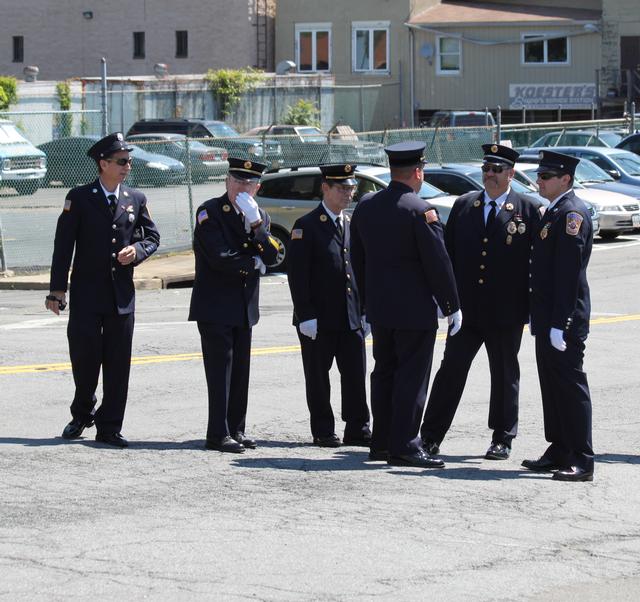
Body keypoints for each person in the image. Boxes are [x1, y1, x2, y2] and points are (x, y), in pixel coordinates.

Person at [420, 144, 543, 460]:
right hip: (467, 310)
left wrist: (532, 307)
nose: (489, 175)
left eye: (497, 170)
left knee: (504, 375)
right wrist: (445, 301)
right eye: (486, 169)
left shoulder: (528, 210)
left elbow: (538, 265)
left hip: (506, 312)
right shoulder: (464, 206)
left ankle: (503, 438)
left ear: (511, 174)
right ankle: (430, 436)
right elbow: (448, 257)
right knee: (450, 371)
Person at [350, 141, 461, 468]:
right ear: (417, 171)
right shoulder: (420, 210)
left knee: (384, 373)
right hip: (414, 311)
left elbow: (357, 259)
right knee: (412, 377)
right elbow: (438, 262)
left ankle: (382, 443)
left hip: (381, 309)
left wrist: (366, 304)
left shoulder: (367, 206)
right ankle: (406, 446)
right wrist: (452, 305)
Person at [47, 132, 160, 448]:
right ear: (103, 164)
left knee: (118, 363)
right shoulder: (80, 198)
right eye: (121, 161)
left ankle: (109, 426)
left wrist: (136, 251)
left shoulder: (135, 199)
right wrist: (57, 290)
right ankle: (83, 412)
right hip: (86, 296)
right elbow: (63, 247)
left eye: (129, 161)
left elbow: (152, 237)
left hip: (120, 297)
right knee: (84, 360)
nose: (127, 167)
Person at [189, 157, 279, 453]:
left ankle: (236, 429)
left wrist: (256, 225)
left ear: (257, 187)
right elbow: (219, 256)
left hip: (243, 307)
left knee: (240, 372)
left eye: (248, 183)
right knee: (220, 373)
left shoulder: (259, 217)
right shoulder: (210, 212)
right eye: (237, 181)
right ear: (227, 181)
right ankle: (217, 433)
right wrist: (252, 262)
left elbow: (275, 257)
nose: (242, 187)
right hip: (215, 306)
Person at [522, 150, 594, 482]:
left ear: (565, 180)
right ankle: (560, 447)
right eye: (540, 175)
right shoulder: (553, 211)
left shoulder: (571, 215)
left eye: (546, 176)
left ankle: (581, 456)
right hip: (547, 317)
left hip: (562, 320)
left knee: (569, 386)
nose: (540, 181)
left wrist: (559, 324)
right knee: (551, 386)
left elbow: (568, 274)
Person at [287, 164, 371, 448]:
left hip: (350, 317)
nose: (348, 194)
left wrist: (364, 310)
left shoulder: (351, 224)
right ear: (325, 187)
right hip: (319, 319)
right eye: (342, 188)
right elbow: (298, 276)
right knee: (318, 378)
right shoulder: (306, 225)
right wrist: (305, 314)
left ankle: (358, 427)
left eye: (351, 188)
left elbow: (359, 270)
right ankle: (323, 429)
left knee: (355, 376)